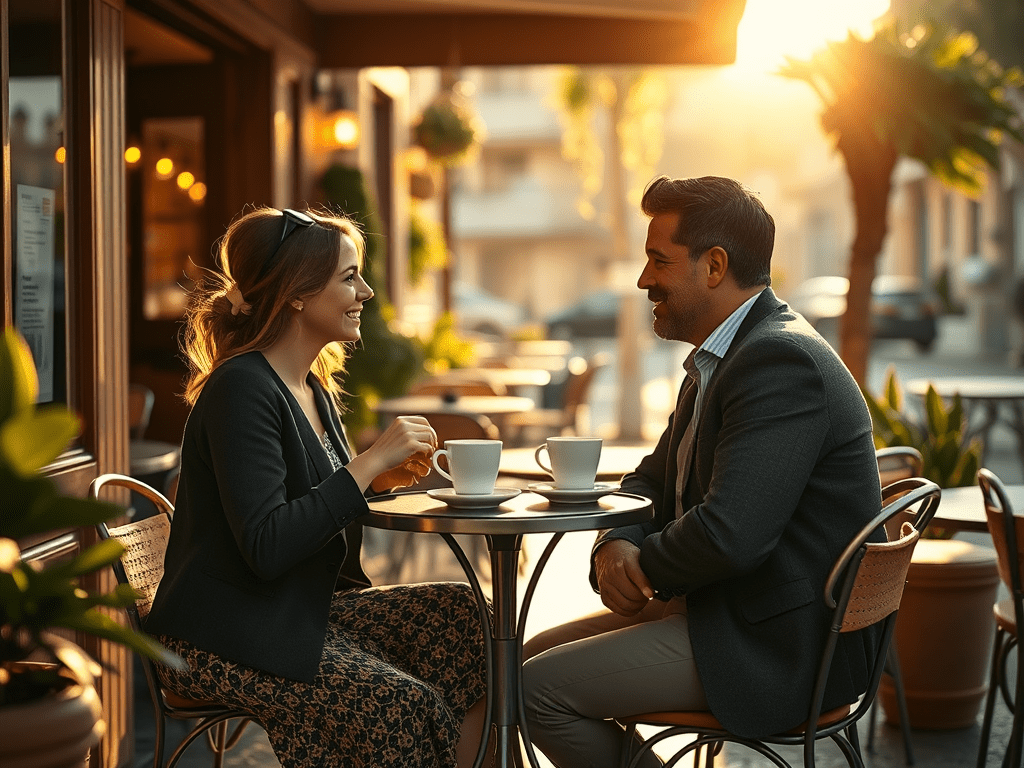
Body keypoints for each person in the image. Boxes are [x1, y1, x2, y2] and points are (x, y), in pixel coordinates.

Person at [521, 176, 884, 768]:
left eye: (658, 261)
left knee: (538, 691)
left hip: (776, 645)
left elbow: (731, 533)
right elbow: (650, 480)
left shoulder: (777, 360)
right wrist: (614, 543)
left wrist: (640, 565)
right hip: (735, 610)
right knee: (524, 660)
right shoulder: (725, 355)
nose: (643, 280)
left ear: (714, 266)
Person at [145, 206, 488, 768]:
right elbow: (268, 544)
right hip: (224, 634)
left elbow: (316, 509)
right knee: (399, 703)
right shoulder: (243, 389)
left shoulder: (311, 388)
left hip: (294, 611)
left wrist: (375, 478)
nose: (367, 292)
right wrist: (364, 466)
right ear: (298, 292)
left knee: (469, 620)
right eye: (349, 277)